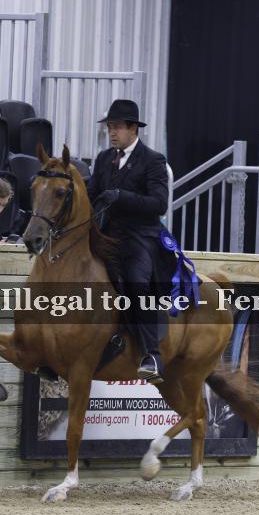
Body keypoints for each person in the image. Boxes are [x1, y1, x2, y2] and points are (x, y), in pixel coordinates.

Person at [87, 99, 172, 384]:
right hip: (106, 235)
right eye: (110, 127)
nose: (112, 132)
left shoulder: (153, 160)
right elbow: (91, 195)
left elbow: (159, 204)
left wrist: (123, 197)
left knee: (137, 283)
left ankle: (152, 355)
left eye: (117, 127)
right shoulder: (103, 159)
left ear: (133, 128)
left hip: (140, 236)